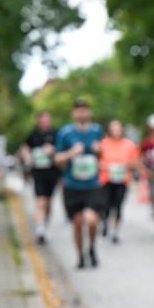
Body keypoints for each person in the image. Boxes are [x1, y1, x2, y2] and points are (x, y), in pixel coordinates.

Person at [55, 99, 104, 269]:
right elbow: (58, 160)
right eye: (78, 110)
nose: (82, 113)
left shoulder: (97, 131)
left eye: (85, 110)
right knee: (77, 223)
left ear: (89, 112)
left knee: (91, 220)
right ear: (73, 114)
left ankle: (92, 248)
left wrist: (99, 151)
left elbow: (104, 155)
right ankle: (80, 256)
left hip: (92, 184)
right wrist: (71, 153)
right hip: (72, 185)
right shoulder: (65, 133)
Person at [19, 111, 61, 244]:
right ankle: (40, 228)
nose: (44, 122)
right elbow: (25, 148)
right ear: (38, 121)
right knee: (40, 200)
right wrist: (27, 156)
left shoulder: (56, 134)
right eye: (42, 120)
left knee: (48, 202)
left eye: (46, 120)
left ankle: (44, 224)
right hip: (38, 173)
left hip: (52, 173)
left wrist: (53, 150)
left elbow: (63, 150)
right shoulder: (33, 135)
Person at [98, 119, 140, 244]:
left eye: (118, 128)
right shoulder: (103, 143)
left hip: (122, 180)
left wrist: (127, 164)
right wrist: (104, 166)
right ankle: (105, 222)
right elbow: (97, 160)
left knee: (118, 206)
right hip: (106, 179)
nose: (116, 131)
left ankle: (115, 231)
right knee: (105, 205)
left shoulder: (129, 145)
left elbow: (135, 162)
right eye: (113, 128)